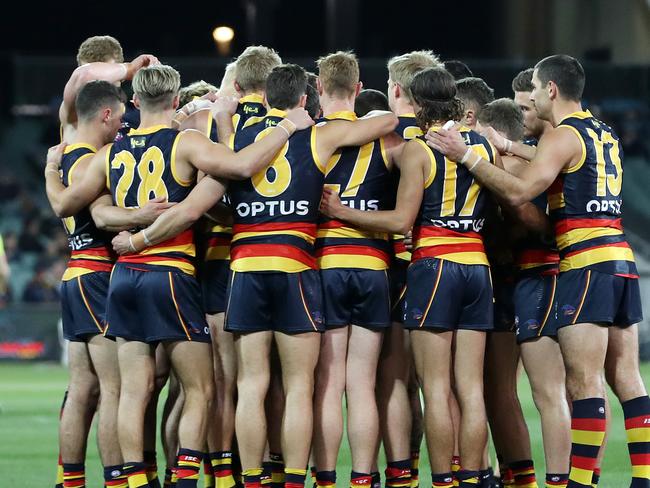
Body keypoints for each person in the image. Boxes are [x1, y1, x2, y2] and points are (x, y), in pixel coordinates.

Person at [111, 63, 397, 488]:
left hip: (243, 269)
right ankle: (295, 480)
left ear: (262, 99)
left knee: (250, 384)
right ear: (304, 99)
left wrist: (138, 239)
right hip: (295, 266)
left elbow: (191, 208)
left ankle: (248, 479)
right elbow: (384, 121)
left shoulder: (236, 145)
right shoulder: (317, 134)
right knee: (299, 386)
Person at [44, 63, 313, 488]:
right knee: (201, 389)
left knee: (133, 390)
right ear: (174, 101)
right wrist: (286, 129)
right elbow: (242, 167)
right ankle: (185, 479)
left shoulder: (112, 152)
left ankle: (134, 481)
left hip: (123, 279)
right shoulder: (186, 141)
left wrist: (50, 173)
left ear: (134, 102)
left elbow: (73, 206)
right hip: (170, 273)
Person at [426, 54, 650, 488]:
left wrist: (468, 156)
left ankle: (580, 483)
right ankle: (642, 478)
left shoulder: (564, 134)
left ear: (550, 89)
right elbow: (561, 161)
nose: (531, 101)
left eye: (534, 93)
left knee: (583, 383)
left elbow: (526, 189)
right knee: (626, 376)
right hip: (620, 260)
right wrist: (509, 147)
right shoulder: (601, 131)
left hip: (584, 262)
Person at [321, 66, 497, 488]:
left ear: (416, 103)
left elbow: (402, 220)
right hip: (478, 264)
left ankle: (441, 480)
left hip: (435, 265)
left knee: (435, 388)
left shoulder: (420, 149)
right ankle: (472, 478)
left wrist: (343, 213)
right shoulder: (482, 146)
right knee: (470, 388)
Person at [46, 79, 173, 488]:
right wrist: (143, 213)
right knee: (117, 388)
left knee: (84, 387)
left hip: (75, 272)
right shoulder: (93, 160)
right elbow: (101, 216)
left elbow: (71, 102)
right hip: (98, 272)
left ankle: (71, 481)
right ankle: (120, 481)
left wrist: (49, 170)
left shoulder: (68, 151)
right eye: (119, 118)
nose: (123, 126)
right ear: (104, 114)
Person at [311, 51, 402, 488]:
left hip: (326, 263)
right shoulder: (387, 140)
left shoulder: (307, 137)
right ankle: (363, 479)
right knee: (363, 384)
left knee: (328, 385)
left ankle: (326, 479)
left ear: (318, 88)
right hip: (372, 266)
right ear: (360, 88)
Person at [506, 68, 572, 488]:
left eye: (527, 106)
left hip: (542, 273)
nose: (522, 114)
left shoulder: (550, 151)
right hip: (542, 277)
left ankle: (560, 480)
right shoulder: (547, 148)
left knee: (551, 392)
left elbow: (539, 224)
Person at [384, 50, 442, 488]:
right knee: (446, 384)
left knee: (395, 382)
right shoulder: (452, 139)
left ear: (398, 89)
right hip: (447, 263)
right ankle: (457, 471)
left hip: (392, 267)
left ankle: (400, 474)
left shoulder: (382, 136)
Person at [477, 98, 540, 487]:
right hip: (513, 281)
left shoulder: (512, 168)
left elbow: (530, 222)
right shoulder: (533, 160)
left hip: (509, 281)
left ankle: (511, 477)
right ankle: (507, 475)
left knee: (496, 389)